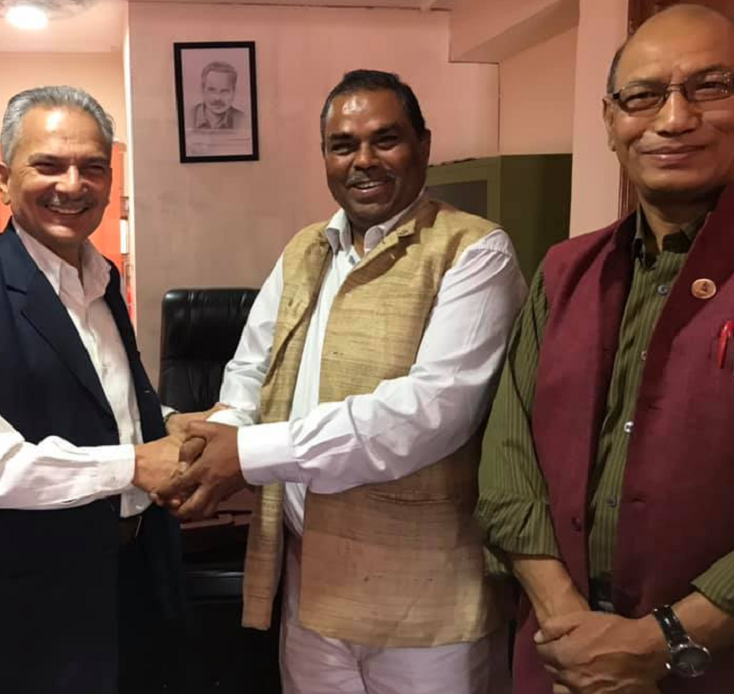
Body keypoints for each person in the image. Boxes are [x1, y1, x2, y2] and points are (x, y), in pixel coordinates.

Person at [157, 69, 526, 694]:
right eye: (343, 145)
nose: (364, 160)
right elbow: (250, 372)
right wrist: (213, 441)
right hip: (309, 580)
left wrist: (245, 453)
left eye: (386, 139)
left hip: (424, 593)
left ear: (423, 145)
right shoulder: (306, 249)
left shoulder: (474, 251)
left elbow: (427, 415)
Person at [476, 4, 734, 694]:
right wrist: (570, 625)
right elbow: (507, 458)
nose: (673, 119)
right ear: (611, 120)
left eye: (710, 87)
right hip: (561, 658)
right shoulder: (567, 271)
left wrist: (661, 640)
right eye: (643, 96)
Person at [0, 86, 187, 694]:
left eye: (93, 167)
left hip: (132, 579)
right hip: (30, 610)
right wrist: (135, 464)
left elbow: (98, 398)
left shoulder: (102, 279)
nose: (73, 184)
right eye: (49, 165)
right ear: (3, 180)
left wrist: (170, 421)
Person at [187, 60, 247, 130]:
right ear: (202, 89)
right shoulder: (187, 116)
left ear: (234, 92)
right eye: (212, 90)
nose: (217, 98)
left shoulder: (243, 120)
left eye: (224, 91)